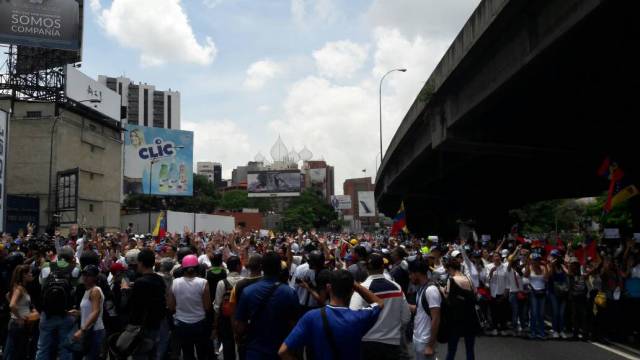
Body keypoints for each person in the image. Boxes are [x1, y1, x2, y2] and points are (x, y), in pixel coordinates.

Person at [279, 269, 384, 360]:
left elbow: (283, 351)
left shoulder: (311, 317)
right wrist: (355, 285)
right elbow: (379, 303)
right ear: (352, 291)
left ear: (329, 287)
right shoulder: (360, 317)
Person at [235, 252, 298, 360]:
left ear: (262, 268)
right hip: (280, 351)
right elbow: (294, 326)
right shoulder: (290, 293)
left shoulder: (247, 292)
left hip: (254, 351)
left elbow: (240, 327)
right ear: (279, 268)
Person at [349, 253, 410, 360]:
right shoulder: (397, 287)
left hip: (368, 344)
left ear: (366, 268)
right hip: (392, 344)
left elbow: (353, 317)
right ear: (383, 267)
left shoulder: (362, 289)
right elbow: (406, 317)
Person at [36, 246, 80, 360]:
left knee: (42, 348)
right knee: (65, 348)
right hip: (66, 314)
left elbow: (41, 283)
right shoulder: (74, 269)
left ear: (58, 256)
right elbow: (78, 285)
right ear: (72, 258)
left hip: (47, 314)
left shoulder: (46, 266)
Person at [126, 248, 167, 359]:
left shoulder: (140, 282)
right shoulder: (159, 279)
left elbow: (135, 306)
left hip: (143, 327)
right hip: (157, 324)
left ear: (141, 263)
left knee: (140, 355)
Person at [168, 254, 211, 360]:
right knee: (202, 353)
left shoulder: (175, 282)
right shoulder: (203, 282)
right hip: (200, 322)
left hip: (181, 323)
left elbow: (171, 306)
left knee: (187, 353)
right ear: (197, 268)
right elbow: (207, 306)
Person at [442, 256, 481, 360]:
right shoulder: (468, 279)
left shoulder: (452, 280)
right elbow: (475, 294)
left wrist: (442, 290)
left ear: (450, 268)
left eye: (447, 270)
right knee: (470, 350)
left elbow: (448, 300)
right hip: (471, 318)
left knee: (451, 350)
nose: (447, 272)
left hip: (456, 319)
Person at [230, 254, 263, 360]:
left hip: (244, 330)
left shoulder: (239, 285)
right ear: (261, 267)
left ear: (248, 266)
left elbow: (233, 310)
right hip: (263, 330)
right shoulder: (268, 283)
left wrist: (235, 331)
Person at [3, 265, 38, 360]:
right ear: (24, 275)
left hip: (19, 325)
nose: (31, 274)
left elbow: (8, 296)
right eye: (29, 273)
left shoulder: (20, 287)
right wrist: (19, 317)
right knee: (13, 353)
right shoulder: (19, 288)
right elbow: (12, 305)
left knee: (14, 352)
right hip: (17, 325)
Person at [409, 259, 441, 360]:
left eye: (411, 274)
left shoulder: (431, 290)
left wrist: (430, 345)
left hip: (425, 340)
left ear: (417, 273)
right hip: (418, 338)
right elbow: (419, 310)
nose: (410, 277)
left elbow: (436, 318)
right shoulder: (421, 289)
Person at [71, 265, 105, 360]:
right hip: (88, 331)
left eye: (89, 275)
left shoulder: (95, 291)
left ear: (95, 277)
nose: (85, 277)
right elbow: (88, 311)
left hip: (94, 331)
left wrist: (82, 330)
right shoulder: (87, 291)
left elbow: (96, 311)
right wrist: (78, 312)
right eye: (84, 274)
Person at [214, 256, 243, 360]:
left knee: (227, 345)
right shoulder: (244, 281)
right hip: (242, 319)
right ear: (239, 266)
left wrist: (215, 324)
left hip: (226, 319)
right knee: (243, 345)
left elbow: (217, 306)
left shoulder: (222, 283)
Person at [524, 252, 549, 339]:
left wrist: (545, 266)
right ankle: (533, 331)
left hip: (542, 292)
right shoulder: (530, 268)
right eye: (535, 260)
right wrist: (528, 264)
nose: (537, 262)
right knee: (534, 313)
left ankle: (541, 331)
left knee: (541, 313)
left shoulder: (543, 268)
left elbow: (546, 279)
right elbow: (525, 276)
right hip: (533, 293)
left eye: (538, 260)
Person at [484, 252, 509, 336]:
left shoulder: (504, 267)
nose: (496, 258)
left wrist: (506, 290)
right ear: (492, 258)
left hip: (502, 292)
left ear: (500, 257)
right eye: (495, 256)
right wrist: (491, 272)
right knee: (494, 311)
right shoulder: (488, 266)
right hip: (493, 292)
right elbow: (487, 280)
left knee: (503, 311)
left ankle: (502, 328)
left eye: (498, 256)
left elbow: (507, 280)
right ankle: (494, 328)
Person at [547, 249, 570, 339]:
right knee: (556, 312)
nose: (555, 259)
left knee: (561, 313)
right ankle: (555, 330)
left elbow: (569, 273)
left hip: (563, 291)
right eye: (553, 256)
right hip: (553, 292)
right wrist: (552, 265)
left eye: (556, 257)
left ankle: (561, 330)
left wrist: (567, 264)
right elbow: (549, 276)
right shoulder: (549, 265)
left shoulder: (562, 265)